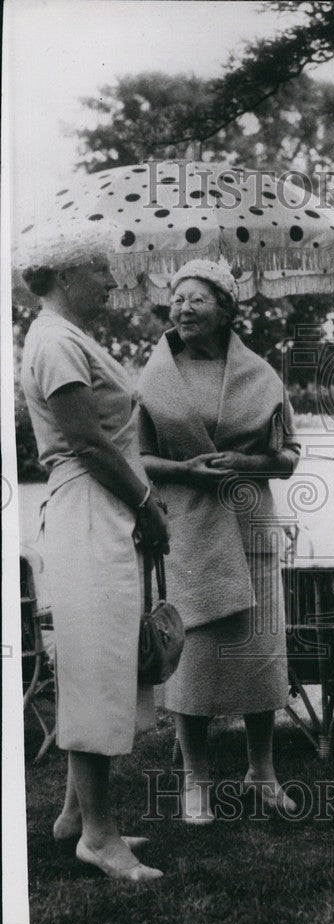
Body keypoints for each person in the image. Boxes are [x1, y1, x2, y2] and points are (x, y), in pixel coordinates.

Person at [19, 225, 169, 882]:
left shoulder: (70, 338)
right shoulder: (52, 339)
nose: (112, 281)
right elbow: (86, 440)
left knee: (105, 658)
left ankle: (77, 817)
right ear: (64, 272)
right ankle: (99, 837)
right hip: (88, 506)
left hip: (99, 508)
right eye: (101, 271)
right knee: (96, 665)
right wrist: (145, 503)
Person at [137, 259, 299, 823]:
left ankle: (263, 771)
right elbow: (137, 459)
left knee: (257, 655)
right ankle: (197, 779)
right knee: (194, 657)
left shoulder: (261, 375)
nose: (181, 307)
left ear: (225, 309)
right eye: (176, 298)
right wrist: (185, 470)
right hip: (189, 528)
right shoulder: (155, 377)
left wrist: (245, 461)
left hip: (250, 523)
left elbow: (288, 458)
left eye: (196, 299)